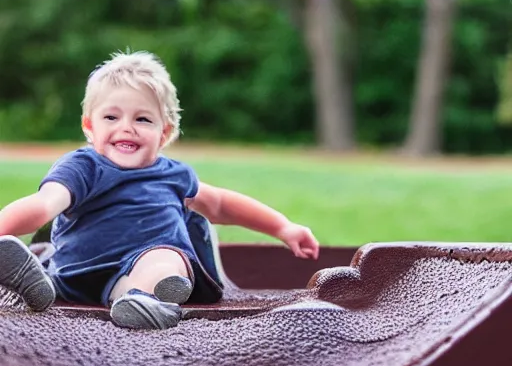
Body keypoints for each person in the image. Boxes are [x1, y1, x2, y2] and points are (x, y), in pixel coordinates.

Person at [0, 50, 319, 330]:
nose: (126, 127)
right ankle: (33, 281)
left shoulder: (174, 176)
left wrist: (281, 226)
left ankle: (137, 301)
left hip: (132, 274)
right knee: (166, 260)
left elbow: (220, 204)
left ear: (164, 132)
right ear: (89, 126)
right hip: (77, 271)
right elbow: (42, 206)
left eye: (142, 119)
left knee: (165, 259)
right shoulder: (84, 167)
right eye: (111, 116)